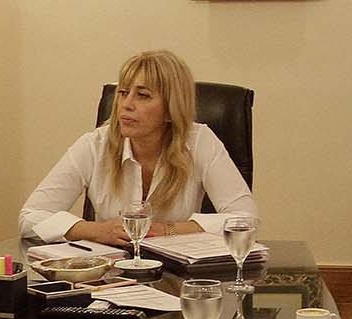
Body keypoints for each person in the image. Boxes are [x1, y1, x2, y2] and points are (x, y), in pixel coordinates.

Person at [19, 49, 258, 245]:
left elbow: (246, 221)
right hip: (110, 277)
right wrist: (95, 230)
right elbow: (30, 217)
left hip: (177, 278)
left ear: (171, 108)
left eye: (142, 95)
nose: (126, 104)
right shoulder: (94, 145)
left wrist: (167, 230)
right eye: (123, 93)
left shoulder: (199, 142)